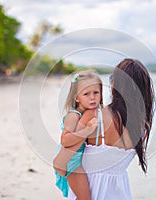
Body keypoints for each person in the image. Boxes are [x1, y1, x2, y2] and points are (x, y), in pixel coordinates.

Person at [68, 58, 155, 200]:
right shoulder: (144, 127)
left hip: (90, 194)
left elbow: (69, 163)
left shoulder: (95, 115)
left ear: (117, 84)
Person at [53, 70, 103, 200]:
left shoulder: (91, 112)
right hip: (72, 163)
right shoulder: (73, 115)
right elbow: (65, 140)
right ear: (77, 97)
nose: (92, 97)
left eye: (96, 93)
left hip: (75, 160)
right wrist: (87, 130)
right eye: (86, 94)